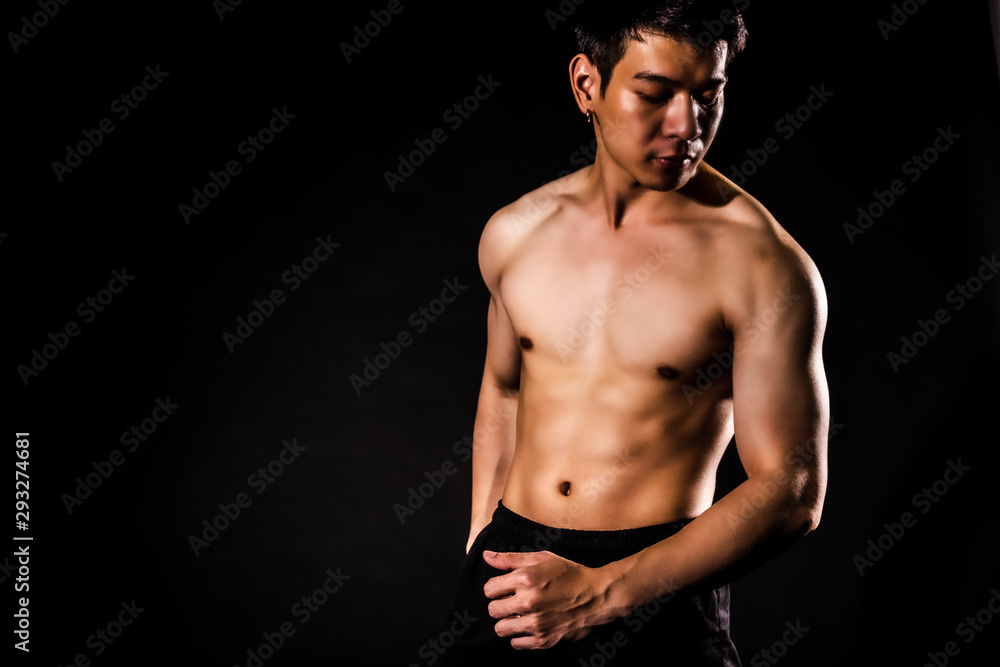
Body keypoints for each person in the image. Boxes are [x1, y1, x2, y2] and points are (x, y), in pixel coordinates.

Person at [441, 1, 829, 664]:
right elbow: (504, 390)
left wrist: (603, 592)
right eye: (655, 94)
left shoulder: (762, 265)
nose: (687, 125)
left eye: (708, 95)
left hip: (658, 584)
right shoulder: (515, 233)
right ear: (586, 84)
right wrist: (483, 536)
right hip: (511, 573)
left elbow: (792, 490)